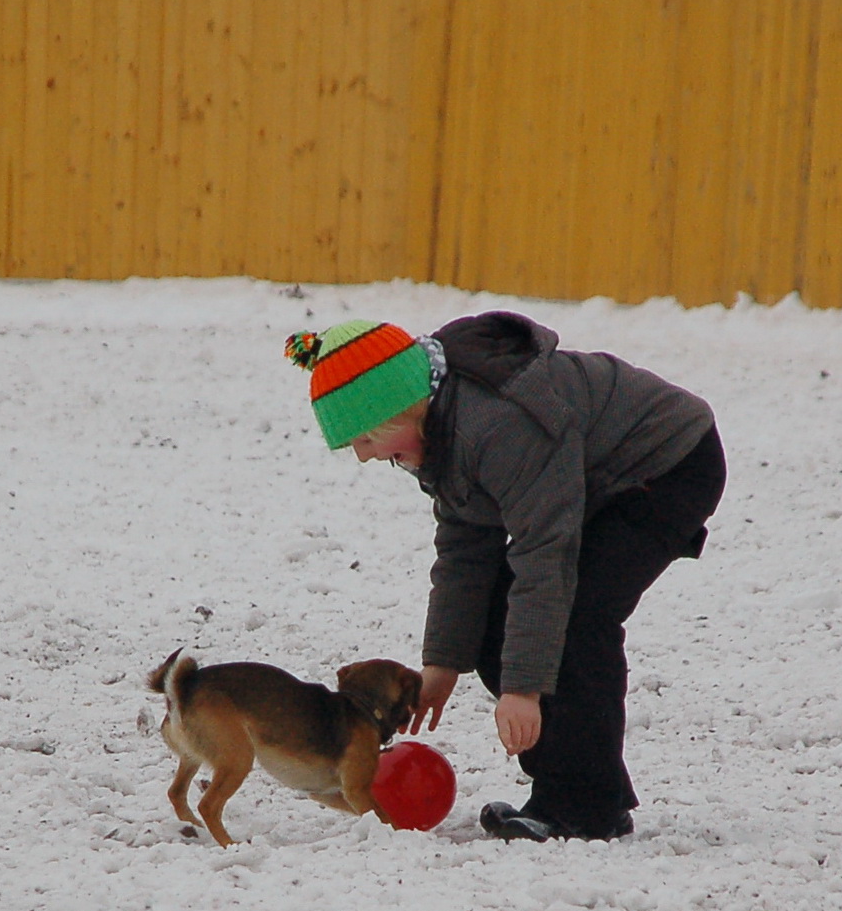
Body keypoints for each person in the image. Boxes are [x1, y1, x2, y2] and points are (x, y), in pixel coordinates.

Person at [285, 313, 724, 841]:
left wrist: (523, 689)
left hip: (666, 466)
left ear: (398, 409)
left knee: (579, 617)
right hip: (588, 477)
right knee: (506, 622)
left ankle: (585, 807)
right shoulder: (441, 429)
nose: (362, 455)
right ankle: (569, 792)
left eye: (365, 438)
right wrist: (443, 664)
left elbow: (545, 556)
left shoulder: (497, 424)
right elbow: (466, 550)